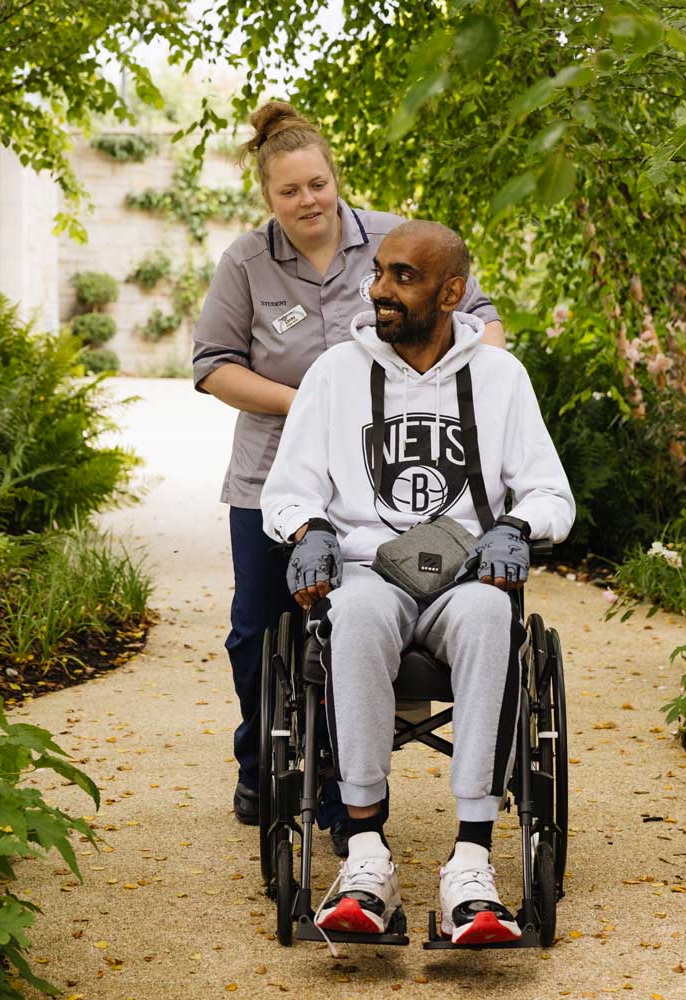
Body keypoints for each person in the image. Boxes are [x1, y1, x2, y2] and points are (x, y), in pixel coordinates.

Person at [191, 100, 507, 842]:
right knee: (256, 631)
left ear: (336, 179)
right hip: (276, 478)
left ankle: (340, 792)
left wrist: (470, 384)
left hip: (387, 480)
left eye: (317, 185)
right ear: (267, 198)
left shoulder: (394, 243)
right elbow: (214, 369)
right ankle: (259, 757)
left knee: (346, 625)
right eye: (289, 191)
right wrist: (314, 402)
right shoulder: (245, 262)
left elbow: (482, 320)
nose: (307, 202)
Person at [260, 220, 575, 944]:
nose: (380, 290)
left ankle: (471, 863)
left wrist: (516, 529)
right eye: (379, 273)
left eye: (403, 276)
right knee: (358, 613)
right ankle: (366, 857)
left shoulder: (501, 378)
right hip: (371, 570)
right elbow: (288, 489)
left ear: (452, 292)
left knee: (491, 615)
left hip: (467, 573)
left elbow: (551, 493)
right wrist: (309, 532)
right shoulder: (337, 373)